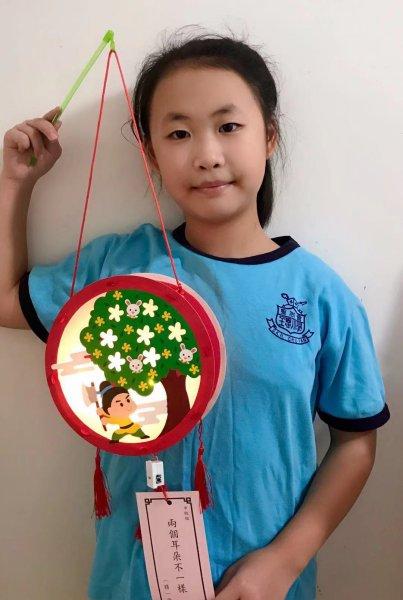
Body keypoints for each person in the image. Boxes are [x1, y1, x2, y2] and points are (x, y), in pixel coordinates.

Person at [0, 28, 390, 600]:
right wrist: (16, 183)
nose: (207, 155)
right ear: (151, 154)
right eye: (179, 133)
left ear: (269, 136)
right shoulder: (123, 267)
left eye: (228, 127)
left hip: (263, 588)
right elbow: (6, 301)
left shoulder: (320, 296)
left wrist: (284, 560)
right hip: (129, 584)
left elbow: (356, 441)